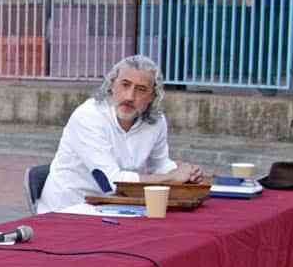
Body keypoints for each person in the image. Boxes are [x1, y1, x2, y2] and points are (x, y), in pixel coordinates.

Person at [37, 55, 204, 213]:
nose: (130, 96)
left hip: (119, 208)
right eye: (125, 84)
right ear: (111, 85)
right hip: (67, 211)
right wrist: (172, 178)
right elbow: (111, 183)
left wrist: (186, 172)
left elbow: (159, 164)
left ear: (153, 96)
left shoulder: (156, 120)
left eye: (141, 89)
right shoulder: (88, 116)